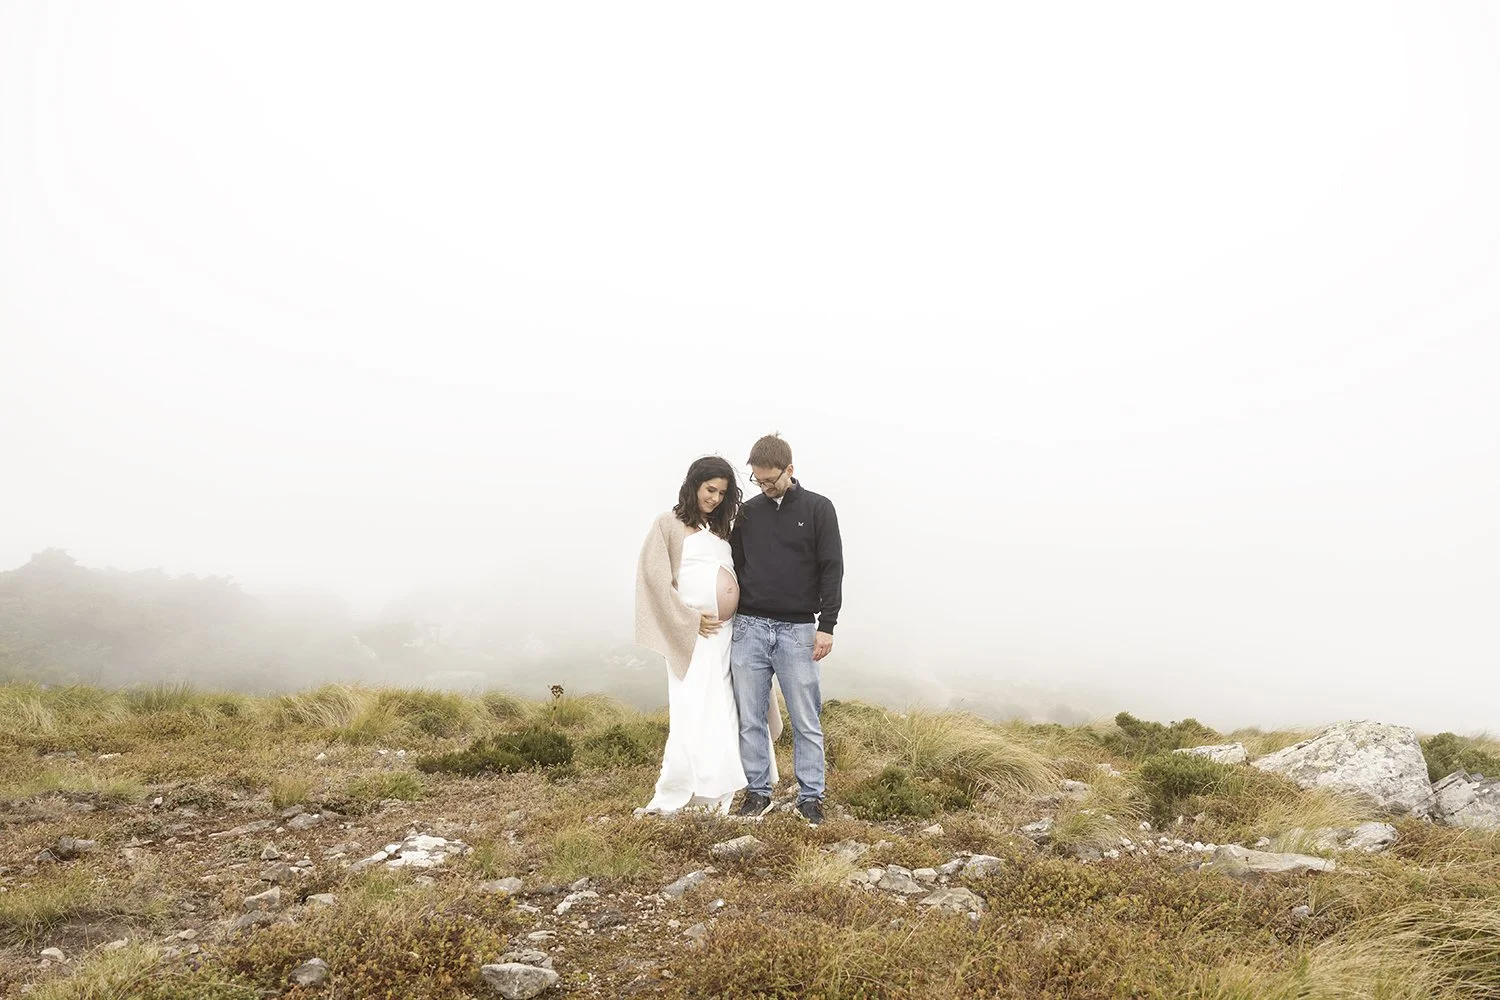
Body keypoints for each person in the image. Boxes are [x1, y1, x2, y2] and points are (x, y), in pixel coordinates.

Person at [634, 456, 781, 815]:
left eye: (722, 493)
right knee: (692, 709)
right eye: (709, 490)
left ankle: (719, 790)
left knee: (727, 710)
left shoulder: (720, 530)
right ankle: (680, 789)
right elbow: (654, 579)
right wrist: (688, 619)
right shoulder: (668, 524)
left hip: (728, 634)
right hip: (692, 637)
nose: (715, 498)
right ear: (693, 485)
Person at [729, 434, 843, 826]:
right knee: (750, 717)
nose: (764, 487)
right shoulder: (747, 514)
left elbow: (832, 568)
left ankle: (811, 797)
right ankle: (757, 793)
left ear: (790, 470)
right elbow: (735, 565)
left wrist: (827, 625)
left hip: (798, 629)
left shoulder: (818, 509)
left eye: (770, 480)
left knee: (806, 718)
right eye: (757, 481)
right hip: (749, 627)